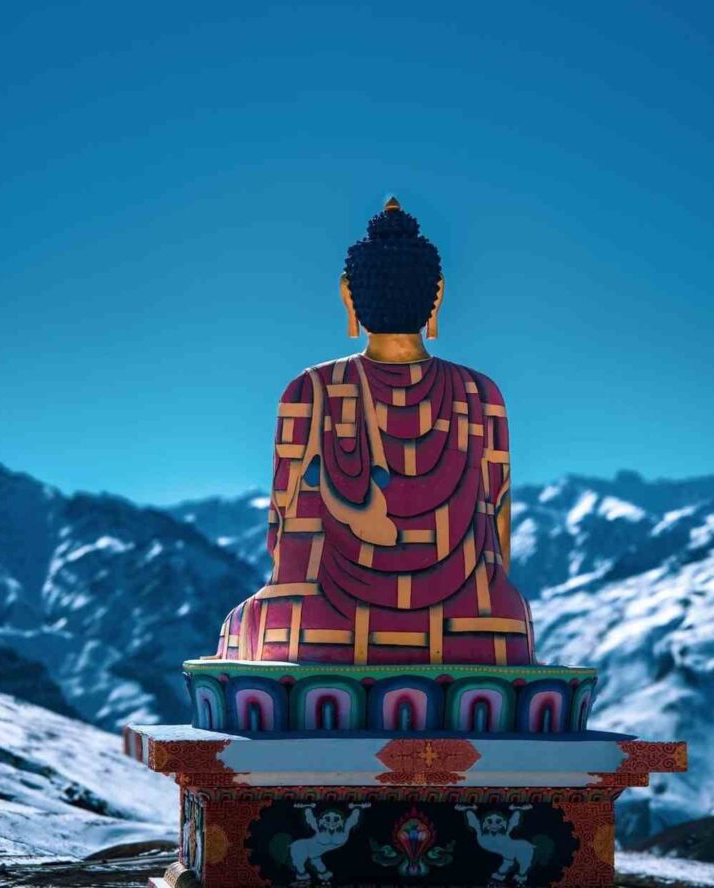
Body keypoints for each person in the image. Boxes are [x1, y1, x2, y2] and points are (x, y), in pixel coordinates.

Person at [215, 198, 534, 666]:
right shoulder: (480, 393)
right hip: (473, 623)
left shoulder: (310, 390)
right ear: (437, 295)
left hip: (324, 622)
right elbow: (498, 538)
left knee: (251, 632)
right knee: (508, 613)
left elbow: (282, 531)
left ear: (348, 294)